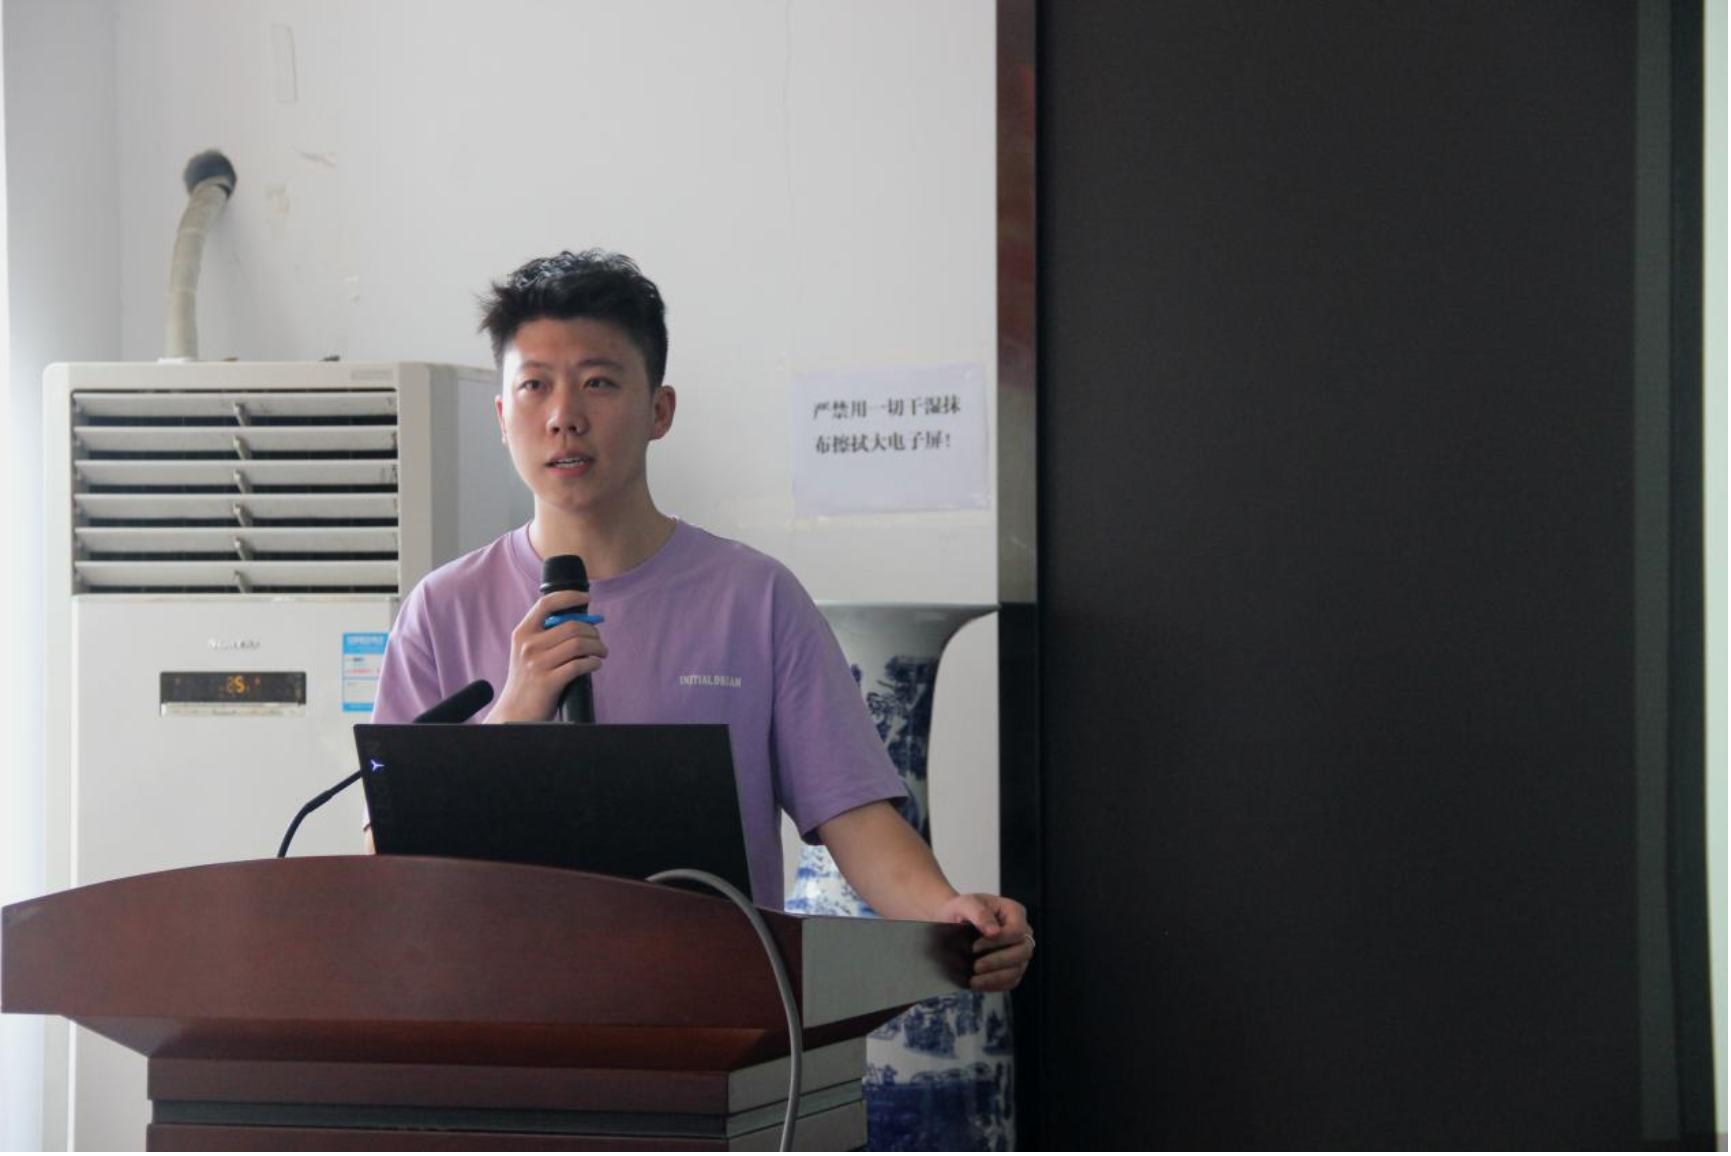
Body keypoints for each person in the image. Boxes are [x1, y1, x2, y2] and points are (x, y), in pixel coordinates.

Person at [369, 249, 1033, 993]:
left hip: (715, 1011)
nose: (563, 417)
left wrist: (945, 910)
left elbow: (854, 817)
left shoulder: (755, 598)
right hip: (496, 1011)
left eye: (598, 382)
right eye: (534, 386)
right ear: (502, 416)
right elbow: (386, 858)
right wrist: (511, 718)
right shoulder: (441, 607)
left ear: (660, 410)